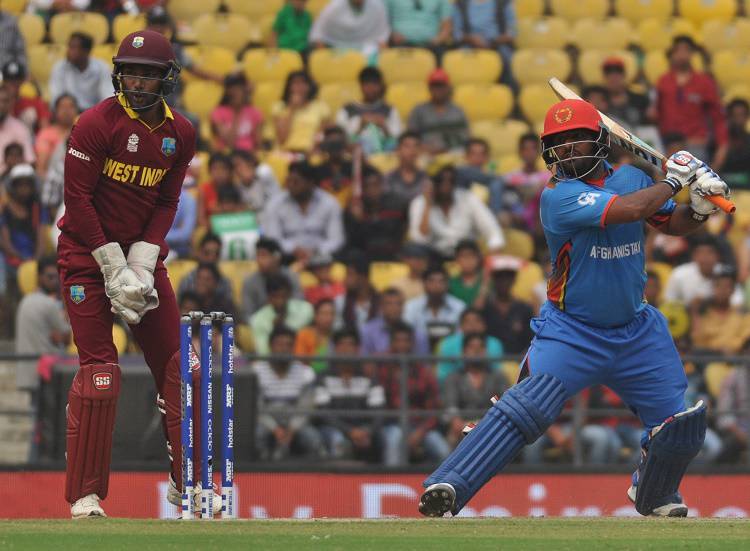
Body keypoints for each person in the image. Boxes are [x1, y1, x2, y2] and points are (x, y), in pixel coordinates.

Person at [418, 97, 731, 518]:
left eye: (576, 140)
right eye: (558, 144)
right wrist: (677, 181)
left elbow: (670, 222)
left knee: (682, 425)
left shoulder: (635, 178)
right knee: (525, 409)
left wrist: (700, 207)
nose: (566, 150)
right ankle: (449, 485)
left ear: (599, 141)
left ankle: (654, 493)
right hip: (572, 331)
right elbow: (631, 211)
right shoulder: (559, 197)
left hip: (637, 330)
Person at [54, 30, 212, 518]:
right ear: (118, 73)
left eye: (149, 73)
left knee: (181, 369)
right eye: (132, 71)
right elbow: (77, 201)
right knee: (101, 373)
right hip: (86, 256)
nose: (139, 81)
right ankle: (85, 496)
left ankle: (189, 486)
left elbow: (167, 199)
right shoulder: (94, 123)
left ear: (166, 77)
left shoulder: (180, 133)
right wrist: (112, 266)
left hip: (142, 261)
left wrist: (142, 262)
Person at [378, 321, 450, 465]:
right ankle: (393, 482)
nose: (402, 345)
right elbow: (377, 405)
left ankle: (442, 486)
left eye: (406, 341)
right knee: (394, 440)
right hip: (392, 424)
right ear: (391, 343)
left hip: (419, 426)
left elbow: (434, 409)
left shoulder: (423, 371)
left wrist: (420, 432)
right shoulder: (381, 368)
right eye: (398, 341)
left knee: (443, 450)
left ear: (412, 344)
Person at [651, 35, 728, 169]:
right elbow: (656, 114)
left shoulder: (704, 82)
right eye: (678, 50)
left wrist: (721, 150)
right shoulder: (663, 81)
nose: (682, 54)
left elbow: (718, 118)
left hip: (694, 144)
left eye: (686, 50)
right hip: (667, 144)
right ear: (672, 53)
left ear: (692, 53)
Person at [253, 326, 323, 460]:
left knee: (314, 439)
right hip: (266, 421)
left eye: (289, 345)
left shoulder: (305, 372)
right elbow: (257, 407)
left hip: (295, 423)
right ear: (270, 346)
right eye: (279, 344)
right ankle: (259, 475)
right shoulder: (257, 370)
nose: (284, 349)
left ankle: (309, 476)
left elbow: (306, 408)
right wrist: (275, 429)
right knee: (256, 436)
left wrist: (292, 429)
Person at [314, 328, 385, 460]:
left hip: (364, 431)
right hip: (333, 429)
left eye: (351, 344)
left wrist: (366, 431)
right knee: (337, 439)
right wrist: (349, 431)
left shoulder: (369, 377)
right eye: (342, 344)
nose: (346, 349)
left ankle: (387, 476)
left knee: (385, 436)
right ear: (335, 349)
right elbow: (323, 413)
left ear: (357, 349)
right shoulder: (323, 378)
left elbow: (378, 411)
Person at [408, 164, 504, 259]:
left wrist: (490, 256)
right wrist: (427, 205)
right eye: (441, 181)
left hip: (466, 255)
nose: (447, 185)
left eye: (451, 180)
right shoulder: (419, 203)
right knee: (415, 251)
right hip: (435, 256)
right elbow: (419, 239)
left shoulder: (468, 198)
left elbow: (493, 231)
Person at [262, 159, 345, 266]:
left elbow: (337, 239)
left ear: (310, 183)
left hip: (322, 258)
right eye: (289, 180)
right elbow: (273, 237)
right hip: (287, 259)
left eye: (296, 182)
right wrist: (293, 249)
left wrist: (316, 250)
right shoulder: (275, 204)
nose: (290, 185)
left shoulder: (329, 203)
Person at [14, 255, 70, 399]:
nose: (55, 281)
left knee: (36, 417)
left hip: (27, 372)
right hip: (45, 374)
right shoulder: (48, 304)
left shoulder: (25, 300)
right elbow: (66, 338)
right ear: (39, 277)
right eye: (50, 277)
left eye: (57, 277)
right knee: (47, 419)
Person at [442, 333, 509, 447]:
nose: (477, 351)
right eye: (472, 347)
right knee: (454, 438)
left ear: (486, 351)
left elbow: (503, 403)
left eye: (480, 347)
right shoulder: (454, 378)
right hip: (463, 427)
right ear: (463, 352)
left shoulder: (497, 377)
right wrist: (458, 422)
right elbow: (451, 407)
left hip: (492, 426)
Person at [344, 165, 408, 262]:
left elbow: (395, 235)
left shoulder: (396, 206)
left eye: (376, 185)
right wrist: (358, 221)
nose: (372, 190)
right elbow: (355, 243)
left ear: (382, 185)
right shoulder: (353, 209)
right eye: (367, 186)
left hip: (391, 255)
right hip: (365, 257)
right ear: (362, 189)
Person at [664, 234, 743, 308]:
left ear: (718, 256)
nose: (705, 258)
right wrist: (689, 305)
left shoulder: (727, 273)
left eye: (710, 252)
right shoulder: (679, 275)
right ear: (693, 256)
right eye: (701, 253)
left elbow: (738, 302)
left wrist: (713, 302)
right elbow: (668, 303)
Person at [336, 66, 401, 155]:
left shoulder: (389, 110)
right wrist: (360, 127)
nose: (371, 88)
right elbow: (341, 140)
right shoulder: (347, 110)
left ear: (380, 86)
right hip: (355, 156)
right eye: (367, 84)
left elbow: (398, 142)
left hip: (384, 156)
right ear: (361, 86)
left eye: (375, 84)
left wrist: (384, 127)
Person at [479, 254, 534, 355]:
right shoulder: (486, 307)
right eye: (499, 278)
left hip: (517, 362)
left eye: (508, 277)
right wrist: (484, 285)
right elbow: (474, 318)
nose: (504, 282)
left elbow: (531, 340)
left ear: (514, 280)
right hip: (489, 362)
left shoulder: (524, 308)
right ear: (494, 280)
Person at [690, 264, 750, 355]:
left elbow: (745, 338)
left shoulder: (742, 312)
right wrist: (696, 313)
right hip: (707, 361)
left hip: (737, 361)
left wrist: (731, 348)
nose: (722, 290)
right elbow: (698, 342)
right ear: (713, 288)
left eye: (727, 286)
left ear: (733, 290)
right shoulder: (703, 312)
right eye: (718, 286)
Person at [451, 0, 516, 84]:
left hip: (497, 44)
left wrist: (493, 41)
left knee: (508, 61)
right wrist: (471, 39)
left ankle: (508, 91)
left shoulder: (504, 2)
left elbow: (512, 32)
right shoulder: (460, 4)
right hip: (469, 45)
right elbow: (457, 33)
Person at [408, 69, 470, 154]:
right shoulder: (419, 111)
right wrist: (424, 148)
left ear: (447, 87)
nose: (438, 89)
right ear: (429, 88)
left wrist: (447, 149)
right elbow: (411, 137)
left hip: (453, 153)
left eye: (441, 86)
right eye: (435, 86)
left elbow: (465, 137)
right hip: (426, 155)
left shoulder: (457, 111)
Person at [240, 236, 303, 319]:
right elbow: (248, 314)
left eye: (263, 255)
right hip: (261, 325)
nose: (259, 260)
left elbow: (299, 306)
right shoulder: (250, 282)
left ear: (276, 257)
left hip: (291, 322)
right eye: (258, 255)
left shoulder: (291, 276)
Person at [250, 273, 313, 354]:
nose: (280, 301)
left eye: (283, 296)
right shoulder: (258, 320)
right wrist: (275, 331)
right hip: (272, 363)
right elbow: (263, 352)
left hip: (301, 360)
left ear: (289, 294)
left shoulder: (306, 310)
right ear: (268, 297)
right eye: (275, 296)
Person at [436, 307, 503, 383]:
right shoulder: (447, 344)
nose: (473, 325)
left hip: (488, 387)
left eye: (477, 321)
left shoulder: (495, 344)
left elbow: (497, 373)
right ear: (461, 326)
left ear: (484, 325)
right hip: (456, 386)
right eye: (467, 322)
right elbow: (443, 376)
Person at [0, 164, 45, 278]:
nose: (23, 189)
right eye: (20, 185)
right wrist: (21, 258)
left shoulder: (37, 209)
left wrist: (35, 259)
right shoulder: (5, 210)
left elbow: (41, 240)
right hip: (10, 259)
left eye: (27, 185)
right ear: (12, 187)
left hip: (33, 258)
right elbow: (5, 242)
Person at [404, 265, 465, 348]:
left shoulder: (459, 307)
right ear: (424, 284)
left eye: (441, 281)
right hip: (419, 356)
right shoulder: (411, 307)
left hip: (450, 356)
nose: (436, 285)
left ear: (448, 284)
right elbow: (405, 336)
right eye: (431, 281)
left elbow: (461, 338)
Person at [49, 32, 112, 111]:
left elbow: (107, 97)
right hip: (69, 114)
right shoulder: (60, 68)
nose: (68, 51)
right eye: (69, 47)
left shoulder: (102, 68)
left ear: (86, 51)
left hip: (94, 113)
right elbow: (56, 98)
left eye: (73, 47)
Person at [502, 132, 550, 233]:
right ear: (520, 152)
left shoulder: (547, 177)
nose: (529, 153)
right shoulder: (511, 177)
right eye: (526, 149)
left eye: (533, 148)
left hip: (540, 224)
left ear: (539, 151)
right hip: (517, 223)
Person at [272, 70, 331, 152]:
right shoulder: (279, 107)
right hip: (285, 152)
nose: (299, 87)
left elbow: (322, 134)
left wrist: (315, 148)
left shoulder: (320, 107)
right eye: (295, 83)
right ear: (289, 86)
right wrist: (292, 109)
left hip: (309, 153)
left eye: (303, 83)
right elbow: (282, 139)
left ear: (309, 86)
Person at [360, 287, 429, 356]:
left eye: (398, 304)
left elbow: (424, 363)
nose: (394, 308)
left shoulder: (417, 334)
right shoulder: (366, 331)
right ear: (381, 306)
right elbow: (363, 359)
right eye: (389, 304)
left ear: (403, 307)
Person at [309, 0, 390, 57]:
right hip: (337, 49)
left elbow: (382, 36)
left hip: (367, 49)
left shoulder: (377, 6)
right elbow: (318, 34)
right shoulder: (334, 8)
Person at [210, 73, 263, 153]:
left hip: (248, 155)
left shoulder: (255, 112)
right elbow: (229, 143)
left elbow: (258, 144)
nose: (235, 91)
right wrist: (237, 113)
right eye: (232, 88)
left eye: (239, 88)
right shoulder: (218, 112)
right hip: (226, 154)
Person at [177, 232, 234, 307]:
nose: (211, 258)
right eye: (207, 253)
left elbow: (229, 310)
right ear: (199, 253)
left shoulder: (225, 282)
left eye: (216, 254)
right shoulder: (187, 280)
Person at [455, 137, 504, 214]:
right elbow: (484, 177)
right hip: (465, 212)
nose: (478, 157)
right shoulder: (461, 171)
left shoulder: (491, 172)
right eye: (473, 154)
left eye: (482, 154)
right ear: (466, 156)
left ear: (487, 156)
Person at [35, 94, 78, 179]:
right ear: (55, 111)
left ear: (76, 111)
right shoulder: (46, 134)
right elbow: (41, 169)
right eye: (63, 107)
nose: (67, 111)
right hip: (53, 180)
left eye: (71, 107)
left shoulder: (83, 133)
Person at [334, 251, 379, 334]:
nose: (345, 280)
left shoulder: (381, 303)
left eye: (350, 274)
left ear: (363, 277)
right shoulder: (340, 302)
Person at [3, 61, 51, 135]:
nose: (13, 83)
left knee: (29, 113)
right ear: (3, 81)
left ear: (23, 81)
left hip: (29, 142)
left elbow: (45, 130)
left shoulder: (34, 102)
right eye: (9, 80)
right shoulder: (2, 103)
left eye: (17, 80)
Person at [231, 149, 281, 221]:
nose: (237, 169)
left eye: (238, 164)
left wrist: (252, 174)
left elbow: (263, 171)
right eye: (234, 167)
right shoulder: (239, 187)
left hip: (277, 217)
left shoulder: (264, 172)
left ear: (250, 162)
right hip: (257, 224)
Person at [601, 57, 648, 130]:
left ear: (624, 76)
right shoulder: (600, 102)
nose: (613, 77)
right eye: (609, 74)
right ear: (605, 78)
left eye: (617, 73)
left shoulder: (640, 100)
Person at [385, 0, 452, 50]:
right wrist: (391, 34)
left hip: (431, 46)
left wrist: (438, 40)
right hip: (398, 45)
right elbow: (381, 22)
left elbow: (446, 25)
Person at [385, 131, 430, 205]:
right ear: (398, 150)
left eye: (416, 146)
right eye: (407, 146)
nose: (412, 150)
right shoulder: (389, 178)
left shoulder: (425, 177)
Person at [316, 126, 355, 207]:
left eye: (338, 143)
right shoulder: (317, 170)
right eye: (331, 143)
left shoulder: (354, 167)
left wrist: (354, 153)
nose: (335, 147)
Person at [295, 298, 336, 373]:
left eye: (332, 314)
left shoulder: (336, 336)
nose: (329, 318)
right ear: (315, 316)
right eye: (324, 314)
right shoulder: (304, 334)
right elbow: (300, 361)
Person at [0, 85, 34, 173]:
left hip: (10, 180)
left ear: (11, 103)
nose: (1, 105)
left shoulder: (20, 129)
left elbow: (29, 162)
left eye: (5, 101)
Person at [197, 153, 234, 227]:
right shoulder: (203, 189)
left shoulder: (236, 188)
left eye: (223, 169)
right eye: (215, 168)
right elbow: (201, 219)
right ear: (209, 171)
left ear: (230, 171)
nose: (219, 172)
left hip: (232, 228)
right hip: (210, 229)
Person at [721, 98, 750, 190]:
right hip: (723, 186)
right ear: (729, 117)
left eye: (742, 115)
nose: (739, 119)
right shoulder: (719, 141)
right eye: (735, 115)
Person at [447, 239, 485, 306]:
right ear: (456, 259)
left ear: (478, 258)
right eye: (463, 256)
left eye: (471, 255)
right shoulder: (450, 283)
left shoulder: (487, 280)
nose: (468, 260)